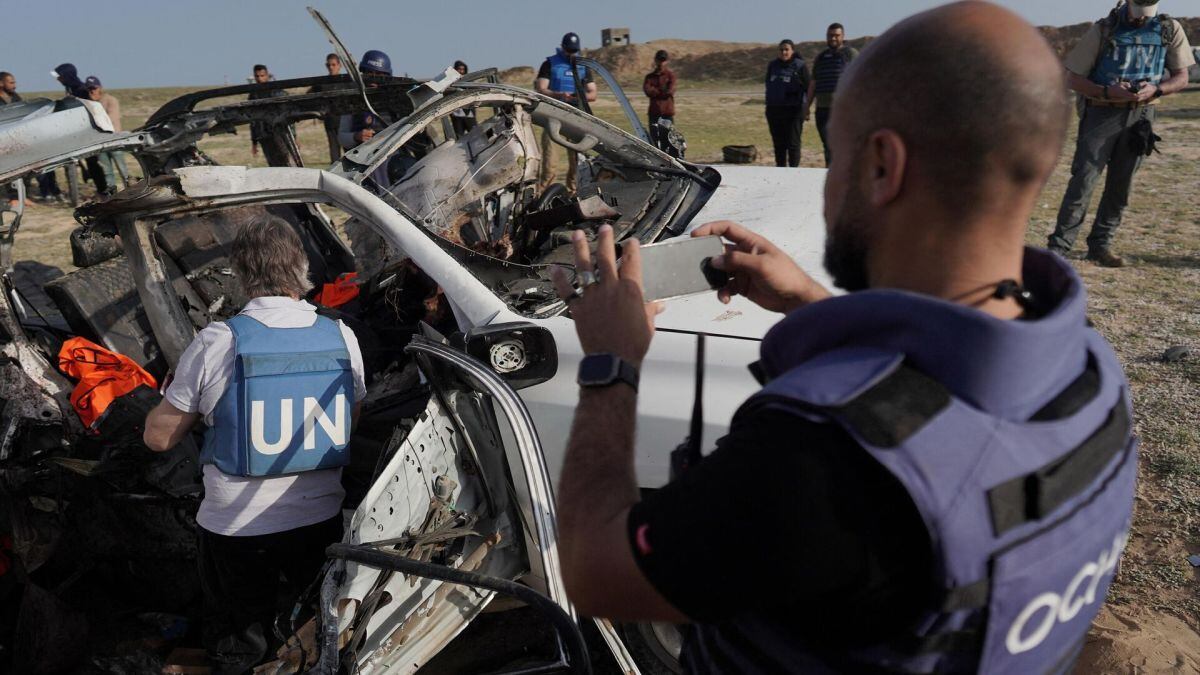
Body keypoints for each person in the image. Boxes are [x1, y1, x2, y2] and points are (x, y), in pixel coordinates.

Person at [550, 2, 1138, 673]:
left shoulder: (821, 458)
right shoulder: (1091, 373)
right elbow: (945, 406)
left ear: (883, 165)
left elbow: (596, 569)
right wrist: (807, 302)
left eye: (838, 160)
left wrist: (610, 362)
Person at [143, 215, 366, 674]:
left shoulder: (217, 341)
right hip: (319, 518)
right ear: (302, 266)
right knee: (314, 630)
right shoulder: (342, 335)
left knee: (238, 644)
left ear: (241, 274)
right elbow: (351, 418)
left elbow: (159, 437)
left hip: (235, 531)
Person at [1047, 0, 1195, 267]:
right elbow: (1071, 77)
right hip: (1101, 115)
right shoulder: (1103, 30)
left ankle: (1100, 245)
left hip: (1141, 117)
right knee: (1083, 180)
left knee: (1121, 185)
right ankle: (1059, 248)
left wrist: (1157, 89)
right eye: (1137, 15)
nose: (1141, 20)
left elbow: (1181, 76)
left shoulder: (1168, 29)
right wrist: (1106, 92)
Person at [534, 32, 597, 194]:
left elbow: (593, 94)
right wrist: (558, 95)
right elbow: (541, 88)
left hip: (576, 119)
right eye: (569, 50)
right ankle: (543, 195)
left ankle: (573, 194)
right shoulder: (550, 64)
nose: (571, 54)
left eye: (574, 51)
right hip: (553, 118)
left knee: (577, 162)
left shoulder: (583, 66)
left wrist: (577, 97)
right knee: (550, 162)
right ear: (562, 47)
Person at [52, 64, 109, 196]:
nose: (58, 79)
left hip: (87, 130)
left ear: (67, 76)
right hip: (76, 130)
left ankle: (103, 190)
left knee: (93, 163)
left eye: (60, 76)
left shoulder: (82, 89)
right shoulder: (71, 88)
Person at [807, 23, 858, 166]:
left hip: (843, 109)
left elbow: (861, 76)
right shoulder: (821, 58)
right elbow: (813, 83)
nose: (833, 38)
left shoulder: (850, 54)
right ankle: (830, 174)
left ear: (843, 36)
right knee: (827, 145)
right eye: (830, 35)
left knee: (842, 144)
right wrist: (806, 107)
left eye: (837, 35)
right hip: (822, 109)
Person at [764, 40, 809, 167]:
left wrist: (807, 108)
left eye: (786, 49)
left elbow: (809, 87)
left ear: (792, 51)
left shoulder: (800, 66)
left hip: (794, 110)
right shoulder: (772, 66)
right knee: (779, 144)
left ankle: (793, 171)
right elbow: (768, 85)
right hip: (774, 110)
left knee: (793, 143)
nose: (784, 52)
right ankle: (780, 170)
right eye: (781, 49)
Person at [85, 76, 131, 188]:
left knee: (122, 169)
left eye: (94, 88)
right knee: (107, 171)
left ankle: (130, 190)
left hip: (113, 140)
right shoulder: (90, 104)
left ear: (100, 88)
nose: (92, 91)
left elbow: (110, 119)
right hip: (100, 143)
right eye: (89, 89)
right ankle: (112, 193)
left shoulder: (111, 100)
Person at [308, 53, 348, 164]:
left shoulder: (346, 81)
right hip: (330, 121)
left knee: (349, 151)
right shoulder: (322, 83)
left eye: (334, 65)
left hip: (345, 122)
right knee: (334, 153)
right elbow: (309, 97)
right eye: (329, 65)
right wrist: (319, 111)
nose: (331, 67)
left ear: (339, 65)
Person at [643, 50, 677, 154]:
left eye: (663, 60)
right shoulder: (649, 77)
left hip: (667, 114)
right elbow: (648, 90)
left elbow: (671, 91)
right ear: (656, 60)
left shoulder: (670, 76)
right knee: (654, 140)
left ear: (666, 61)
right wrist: (662, 91)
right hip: (654, 113)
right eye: (659, 60)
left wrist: (656, 91)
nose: (661, 63)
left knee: (669, 139)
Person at [248, 64, 286, 157]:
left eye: (262, 76)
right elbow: (253, 120)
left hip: (279, 133)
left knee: (287, 159)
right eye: (257, 76)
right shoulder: (253, 95)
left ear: (267, 75)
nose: (260, 79)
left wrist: (294, 137)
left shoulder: (276, 91)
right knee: (273, 163)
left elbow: (286, 114)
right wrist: (254, 142)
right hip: (263, 135)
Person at [449, 60, 478, 136]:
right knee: (459, 136)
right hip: (456, 114)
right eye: (459, 69)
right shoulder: (450, 82)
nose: (461, 71)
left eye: (463, 69)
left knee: (475, 135)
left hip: (469, 114)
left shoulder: (469, 82)